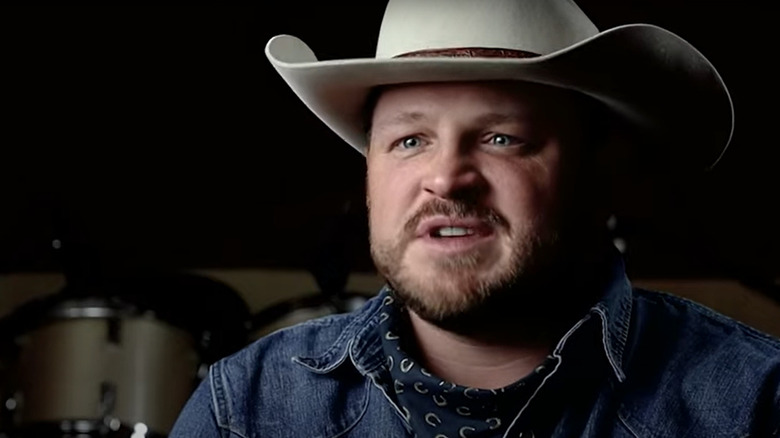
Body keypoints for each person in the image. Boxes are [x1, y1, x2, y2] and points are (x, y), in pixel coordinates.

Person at [171, 1, 779, 437]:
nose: (446, 176)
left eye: (500, 137)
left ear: (600, 179)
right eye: (410, 141)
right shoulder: (245, 411)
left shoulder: (754, 404)